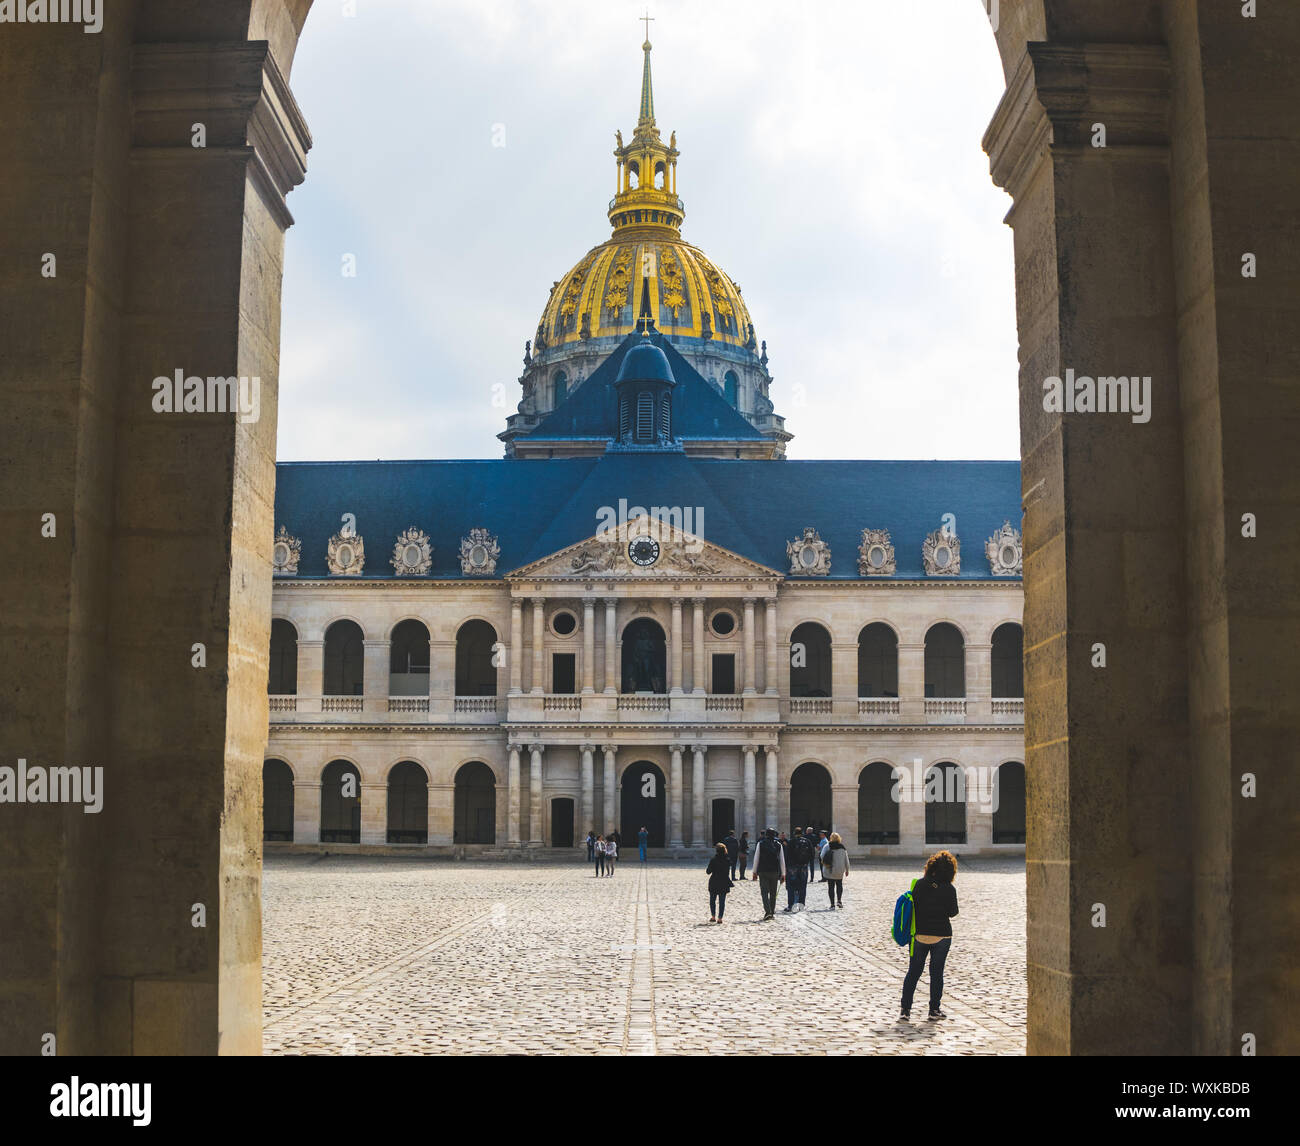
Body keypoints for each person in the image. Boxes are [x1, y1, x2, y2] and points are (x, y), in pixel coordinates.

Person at [900, 850, 960, 1021]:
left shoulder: (919, 884)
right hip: (942, 936)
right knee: (937, 973)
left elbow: (913, 908)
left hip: (920, 934)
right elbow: (953, 912)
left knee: (914, 971)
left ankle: (905, 1009)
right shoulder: (949, 889)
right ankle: (934, 1009)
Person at [750, 827, 785, 919]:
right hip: (775, 871)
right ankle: (772, 912)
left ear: (766, 835)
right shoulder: (778, 844)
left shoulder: (760, 844)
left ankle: (767, 911)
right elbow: (782, 860)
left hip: (763, 871)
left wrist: (754, 872)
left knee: (764, 892)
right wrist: (783, 874)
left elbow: (756, 858)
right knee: (773, 893)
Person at [783, 828, 812, 912]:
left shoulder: (791, 842)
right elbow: (812, 855)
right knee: (803, 887)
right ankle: (801, 905)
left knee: (791, 887)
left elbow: (787, 855)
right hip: (803, 867)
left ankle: (791, 905)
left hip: (792, 868)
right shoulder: (807, 841)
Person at [706, 842, 735, 922]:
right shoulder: (727, 860)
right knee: (722, 901)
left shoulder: (713, 860)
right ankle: (720, 918)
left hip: (714, 881)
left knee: (712, 900)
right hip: (724, 881)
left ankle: (713, 916)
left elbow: (708, 872)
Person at [823, 832, 849, 907]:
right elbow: (846, 859)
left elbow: (822, 856)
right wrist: (847, 869)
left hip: (830, 869)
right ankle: (839, 901)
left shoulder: (827, 846)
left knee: (831, 887)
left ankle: (832, 904)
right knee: (839, 885)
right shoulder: (842, 847)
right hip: (840, 869)